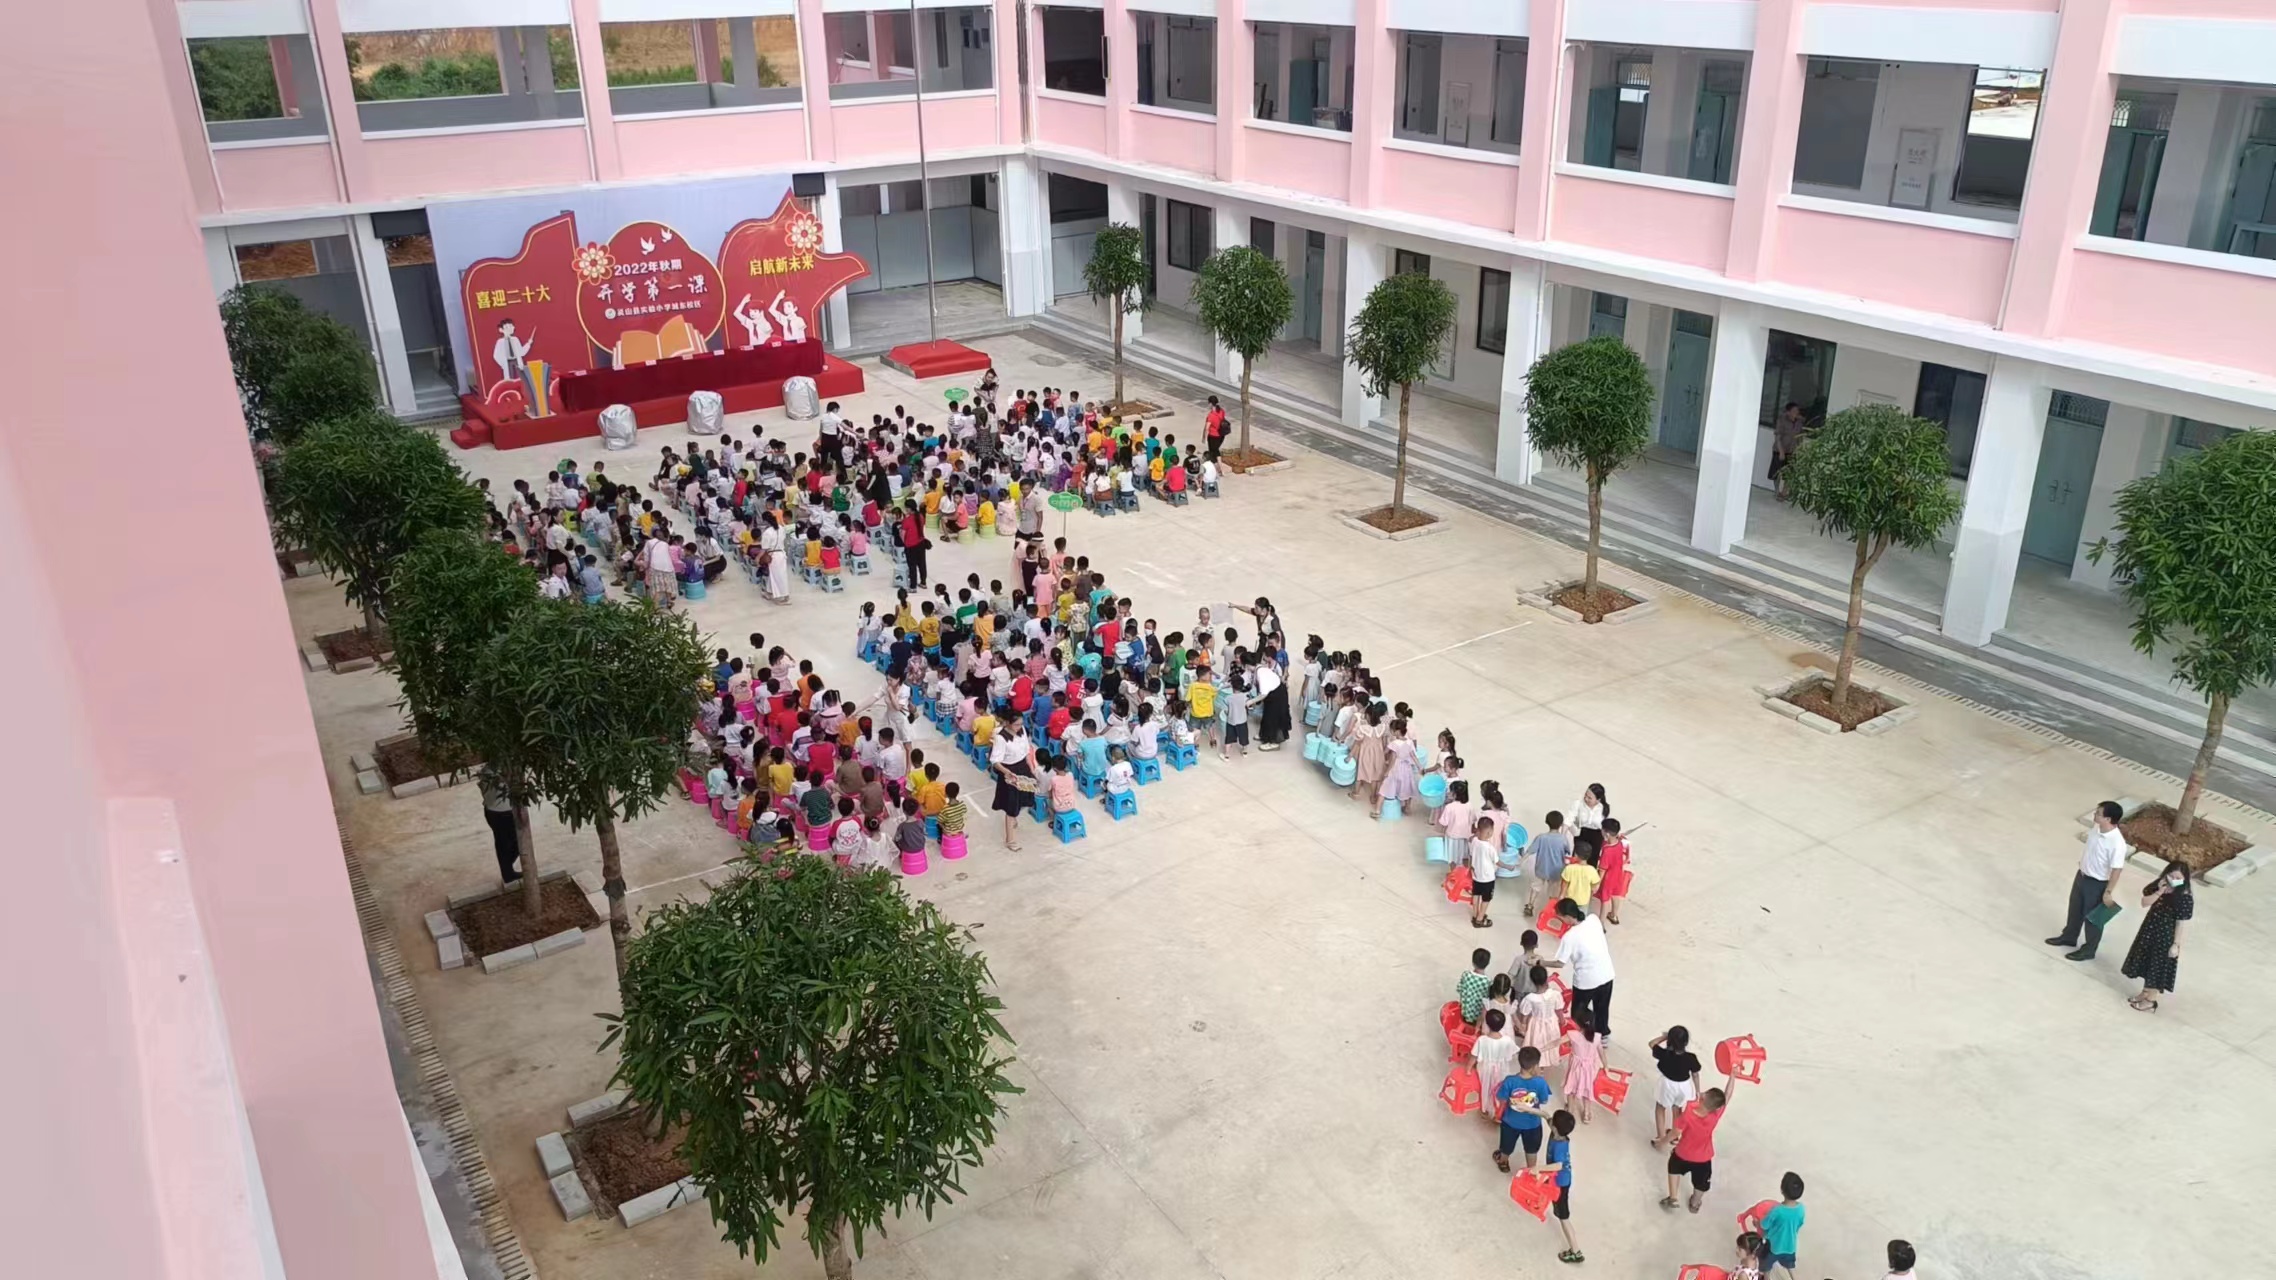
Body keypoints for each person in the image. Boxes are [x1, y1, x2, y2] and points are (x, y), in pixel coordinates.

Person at [2048, 799, 2129, 961]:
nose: (2095, 815)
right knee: (2075, 909)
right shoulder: (2096, 829)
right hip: (2082, 876)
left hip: (2097, 884)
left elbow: (2117, 870)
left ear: (2108, 819)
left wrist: (2108, 892)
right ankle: (2069, 936)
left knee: (2093, 919)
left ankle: (2089, 950)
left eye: (2098, 813)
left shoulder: (2117, 843)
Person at [2121, 858, 2194, 1012]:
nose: (2174, 880)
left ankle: (2151, 1001)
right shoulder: (2158, 886)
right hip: (2150, 929)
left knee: (2157, 966)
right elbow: (2144, 903)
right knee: (2146, 961)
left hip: (2165, 936)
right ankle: (2144, 993)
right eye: (2171, 876)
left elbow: (2180, 923)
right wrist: (2159, 891)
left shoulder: (2185, 897)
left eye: (2178, 878)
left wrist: (2176, 944)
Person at [1663, 1072, 1736, 1213]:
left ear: (1702, 1098)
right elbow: (1727, 1095)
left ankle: (1673, 1197)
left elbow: (1675, 1132)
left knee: (1673, 1168)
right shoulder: (1715, 1115)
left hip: (1683, 1153)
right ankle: (1695, 1203)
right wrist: (1732, 1076)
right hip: (1703, 1158)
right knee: (1701, 1183)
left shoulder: (1689, 1111)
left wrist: (1662, 1141)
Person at [1554, 898, 1615, 1037]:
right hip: (1606, 974)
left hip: (1586, 981)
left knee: (1578, 1013)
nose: (1560, 920)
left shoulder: (1569, 936)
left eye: (1560, 917)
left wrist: (1541, 962)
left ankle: (1582, 1034)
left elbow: (1560, 963)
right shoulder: (1593, 919)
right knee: (1602, 1008)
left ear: (1568, 917)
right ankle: (1602, 1034)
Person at [1491, 1046, 1551, 1173]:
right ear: (1534, 1067)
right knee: (1531, 1150)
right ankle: (1531, 1171)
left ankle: (1503, 1163)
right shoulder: (1541, 1083)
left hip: (1510, 1122)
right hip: (1533, 1124)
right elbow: (1544, 1100)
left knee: (1506, 1146)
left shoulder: (1510, 1081)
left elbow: (1501, 1098)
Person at [1648, 1025, 1703, 1150]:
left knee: (1660, 1108)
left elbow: (1651, 1044)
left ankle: (1661, 1137)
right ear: (1686, 1042)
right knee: (1677, 1109)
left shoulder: (1664, 1054)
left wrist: (1664, 1037)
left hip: (1667, 1085)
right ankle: (1674, 1136)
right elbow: (1695, 1074)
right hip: (1684, 1087)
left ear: (1670, 1041)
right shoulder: (1691, 1058)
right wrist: (1697, 1091)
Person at [1541, 1109, 1583, 1265]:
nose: (1550, 1120)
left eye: (1552, 1121)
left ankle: (1576, 1251)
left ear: (1554, 1128)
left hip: (1561, 1184)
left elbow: (1558, 1165)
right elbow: (1545, 1115)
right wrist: (1525, 1109)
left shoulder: (1560, 1146)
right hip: (1559, 1180)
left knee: (1563, 1217)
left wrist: (1537, 1169)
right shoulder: (1559, 1134)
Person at [1472, 1008, 1519, 1128]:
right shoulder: (1507, 1040)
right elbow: (1513, 1053)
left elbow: (1474, 1056)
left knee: (1486, 1088)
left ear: (1487, 1024)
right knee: (1499, 1089)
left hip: (1486, 1069)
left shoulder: (1482, 1040)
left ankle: (1485, 1110)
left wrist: (1468, 1068)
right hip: (1502, 1068)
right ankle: (1499, 1112)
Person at [1756, 1171, 1806, 1280]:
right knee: (1790, 1266)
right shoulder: (1801, 1209)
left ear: (1782, 1190)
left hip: (1773, 1247)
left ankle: (1766, 1278)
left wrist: (1757, 1223)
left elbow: (1764, 1225)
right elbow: (1800, 1223)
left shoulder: (1777, 1210)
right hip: (1790, 1246)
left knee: (1766, 1265)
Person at [1525, 811, 1573, 916]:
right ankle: (1551, 910)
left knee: (1535, 887)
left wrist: (1519, 862)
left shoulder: (1541, 837)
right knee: (1553, 892)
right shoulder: (1563, 839)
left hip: (1541, 868)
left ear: (1546, 822)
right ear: (1561, 824)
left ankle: (1530, 905)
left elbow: (1530, 851)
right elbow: (1568, 853)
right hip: (1557, 871)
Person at [477, 767, 520, 884]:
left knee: (503, 844)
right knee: (514, 843)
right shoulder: (497, 771)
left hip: (492, 811)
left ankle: (507, 871)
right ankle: (507, 871)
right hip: (503, 813)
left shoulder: (486, 770)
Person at [1563, 1007, 1603, 1124]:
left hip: (1575, 1067)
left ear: (1578, 1023)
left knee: (1571, 1087)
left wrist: (1542, 1048)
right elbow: (1601, 1053)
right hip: (1590, 1069)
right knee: (1587, 1089)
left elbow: (1556, 1043)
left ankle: (1570, 1110)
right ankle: (1586, 1113)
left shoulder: (1573, 1035)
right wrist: (1606, 1066)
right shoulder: (1597, 1037)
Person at [1770, 402, 1807, 500]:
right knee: (1777, 472)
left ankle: (1784, 492)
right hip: (1780, 450)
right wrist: (1781, 451)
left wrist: (1799, 448)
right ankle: (1777, 491)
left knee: (1789, 473)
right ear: (1788, 412)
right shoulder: (1782, 420)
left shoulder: (1799, 422)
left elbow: (1800, 436)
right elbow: (1778, 437)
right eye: (1794, 411)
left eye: (1797, 411)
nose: (1796, 412)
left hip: (1792, 450)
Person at [1468, 814, 1499, 929]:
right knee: (1486, 899)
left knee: (1476, 895)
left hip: (1476, 876)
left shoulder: (1474, 841)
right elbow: (1497, 861)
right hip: (1488, 879)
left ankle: (1475, 914)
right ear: (1490, 833)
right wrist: (1508, 866)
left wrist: (1470, 867)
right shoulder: (1490, 848)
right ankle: (1480, 919)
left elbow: (1471, 855)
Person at [1456, 947, 1492, 1027]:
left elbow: (1460, 989)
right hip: (1479, 1016)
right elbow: (1488, 1001)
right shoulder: (1488, 982)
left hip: (1465, 1011)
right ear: (1488, 963)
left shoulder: (1466, 975)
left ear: (1473, 962)